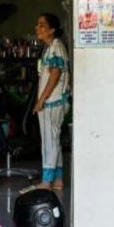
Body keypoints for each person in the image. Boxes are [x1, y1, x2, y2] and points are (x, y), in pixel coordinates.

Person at [33, 13, 70, 191]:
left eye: (42, 25)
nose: (37, 28)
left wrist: (41, 100)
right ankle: (58, 179)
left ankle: (46, 181)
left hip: (52, 101)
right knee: (53, 140)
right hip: (51, 101)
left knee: (49, 141)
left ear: (52, 29)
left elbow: (55, 76)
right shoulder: (50, 48)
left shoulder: (56, 46)